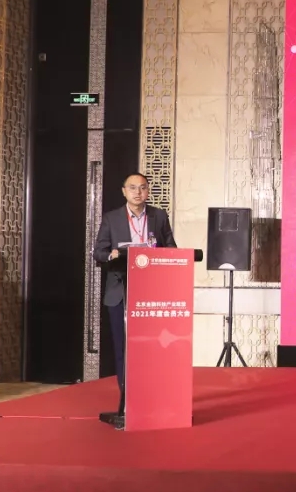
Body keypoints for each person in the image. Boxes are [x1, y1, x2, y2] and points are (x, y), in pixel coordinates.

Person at [92, 173, 177, 429]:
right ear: (124, 191)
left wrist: (160, 253)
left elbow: (171, 248)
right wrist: (113, 255)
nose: (138, 192)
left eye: (142, 188)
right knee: (123, 348)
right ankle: (128, 402)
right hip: (120, 291)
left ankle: (153, 399)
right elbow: (98, 252)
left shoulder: (159, 216)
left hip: (150, 293)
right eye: (132, 188)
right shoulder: (112, 218)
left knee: (151, 348)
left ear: (148, 191)